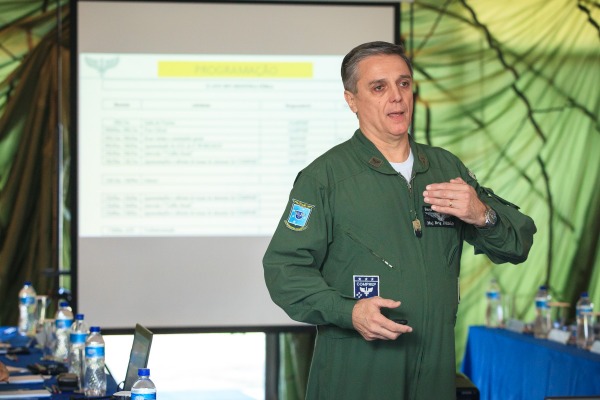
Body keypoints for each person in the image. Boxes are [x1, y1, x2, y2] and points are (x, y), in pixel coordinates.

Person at [263, 41, 536, 400]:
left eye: (403, 84)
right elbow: (284, 269)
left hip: (434, 368)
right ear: (351, 100)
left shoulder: (444, 168)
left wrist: (482, 215)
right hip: (358, 369)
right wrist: (349, 311)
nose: (396, 97)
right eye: (379, 87)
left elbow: (518, 243)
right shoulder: (325, 178)